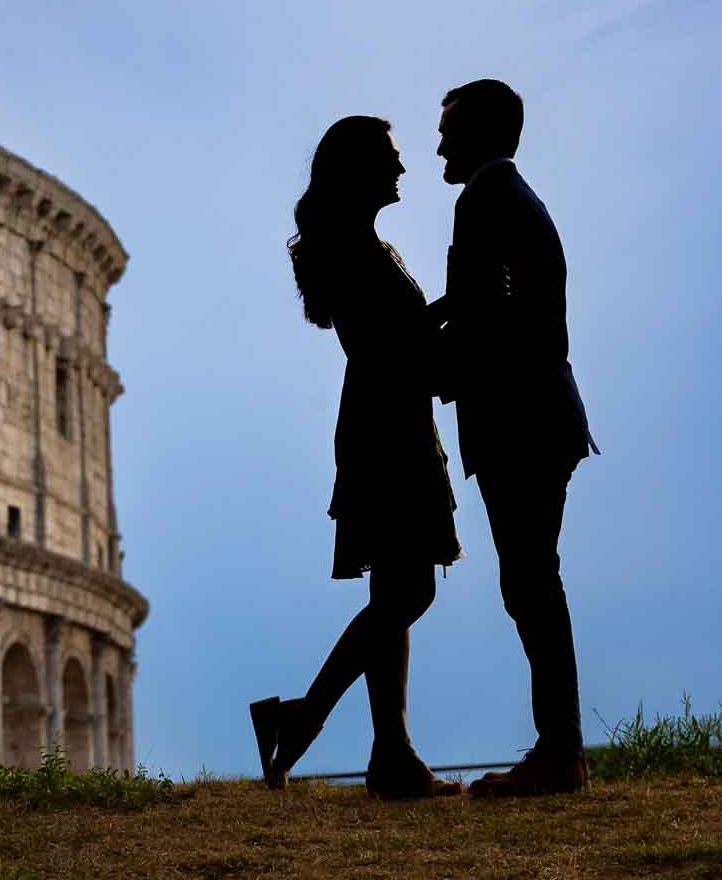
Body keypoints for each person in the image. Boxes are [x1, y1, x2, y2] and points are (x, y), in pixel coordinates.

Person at [250, 115, 463, 799]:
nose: (403, 171)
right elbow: (385, 346)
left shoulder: (363, 246)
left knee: (395, 590)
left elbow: (395, 338)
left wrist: (440, 320)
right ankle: (305, 719)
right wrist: (452, 318)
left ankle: (391, 757)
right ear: (360, 170)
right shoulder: (354, 250)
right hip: (388, 428)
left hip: (387, 418)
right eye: (391, 160)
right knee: (410, 591)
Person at [430, 79, 599, 797]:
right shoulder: (510, 199)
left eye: (449, 130)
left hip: (521, 417)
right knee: (531, 579)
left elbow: (481, 311)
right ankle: (560, 750)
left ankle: (559, 754)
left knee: (530, 580)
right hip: (540, 414)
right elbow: (491, 306)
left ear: (479, 133)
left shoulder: (484, 199)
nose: (439, 144)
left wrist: (413, 350)